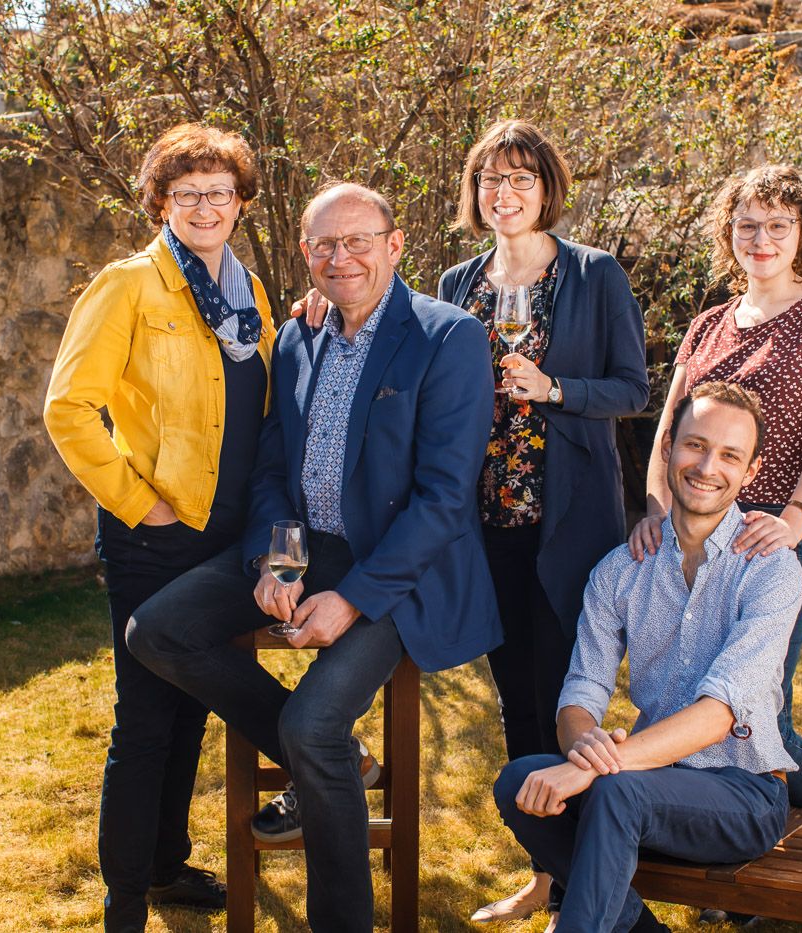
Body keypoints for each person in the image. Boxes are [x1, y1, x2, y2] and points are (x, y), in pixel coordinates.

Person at [292, 122, 649, 925]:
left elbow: (633, 386)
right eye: (490, 179)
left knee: (569, 701)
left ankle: (594, 889)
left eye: (521, 179)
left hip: (563, 524)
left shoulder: (594, 275)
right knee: (516, 703)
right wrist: (325, 293)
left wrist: (554, 389)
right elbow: (390, 322)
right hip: (478, 526)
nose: (505, 194)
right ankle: (548, 873)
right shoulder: (458, 281)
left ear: (546, 188)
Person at [127, 182, 500, 932]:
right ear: (305, 252)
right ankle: (339, 761)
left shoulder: (448, 336)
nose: (342, 257)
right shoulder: (296, 335)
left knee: (310, 728)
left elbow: (444, 499)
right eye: (325, 244)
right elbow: (271, 467)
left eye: (359, 240)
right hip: (307, 551)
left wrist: (353, 598)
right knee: (155, 632)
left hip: (399, 572)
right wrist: (277, 560)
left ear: (395, 246)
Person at [42, 123, 277, 933]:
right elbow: (69, 408)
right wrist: (140, 501)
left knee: (194, 708)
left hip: (229, 536)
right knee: (145, 716)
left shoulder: (251, 293)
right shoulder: (128, 285)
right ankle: (124, 900)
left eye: (219, 191)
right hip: (154, 534)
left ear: (241, 201)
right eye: (187, 194)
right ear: (161, 203)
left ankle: (166, 863)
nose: (205, 206)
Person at [494, 380, 802, 933]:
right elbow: (580, 694)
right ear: (668, 449)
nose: (708, 465)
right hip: (645, 781)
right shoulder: (621, 569)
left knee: (616, 791)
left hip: (743, 793)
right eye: (695, 445)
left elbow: (721, 712)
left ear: (750, 473)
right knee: (519, 780)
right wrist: (581, 744)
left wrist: (595, 769)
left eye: (730, 455)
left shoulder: (772, 569)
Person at [628, 165, 802, 815]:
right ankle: (716, 848)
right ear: (727, 234)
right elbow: (668, 433)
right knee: (693, 699)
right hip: (694, 536)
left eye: (777, 226)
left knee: (762, 704)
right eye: (746, 225)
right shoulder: (708, 324)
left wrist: (797, 516)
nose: (760, 239)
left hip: (773, 534)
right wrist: (657, 512)